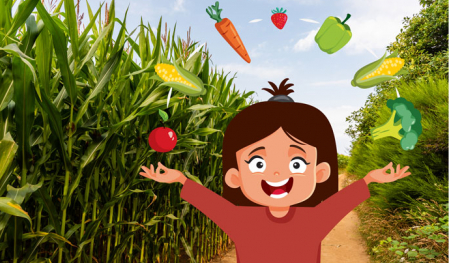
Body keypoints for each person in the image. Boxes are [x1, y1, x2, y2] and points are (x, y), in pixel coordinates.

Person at [140, 78, 411, 263]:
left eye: (296, 164)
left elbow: (341, 202)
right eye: (259, 164)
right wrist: (179, 179)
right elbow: (209, 203)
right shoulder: (245, 220)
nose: (278, 175)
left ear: (320, 173)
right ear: (235, 177)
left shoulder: (308, 220)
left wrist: (370, 179)